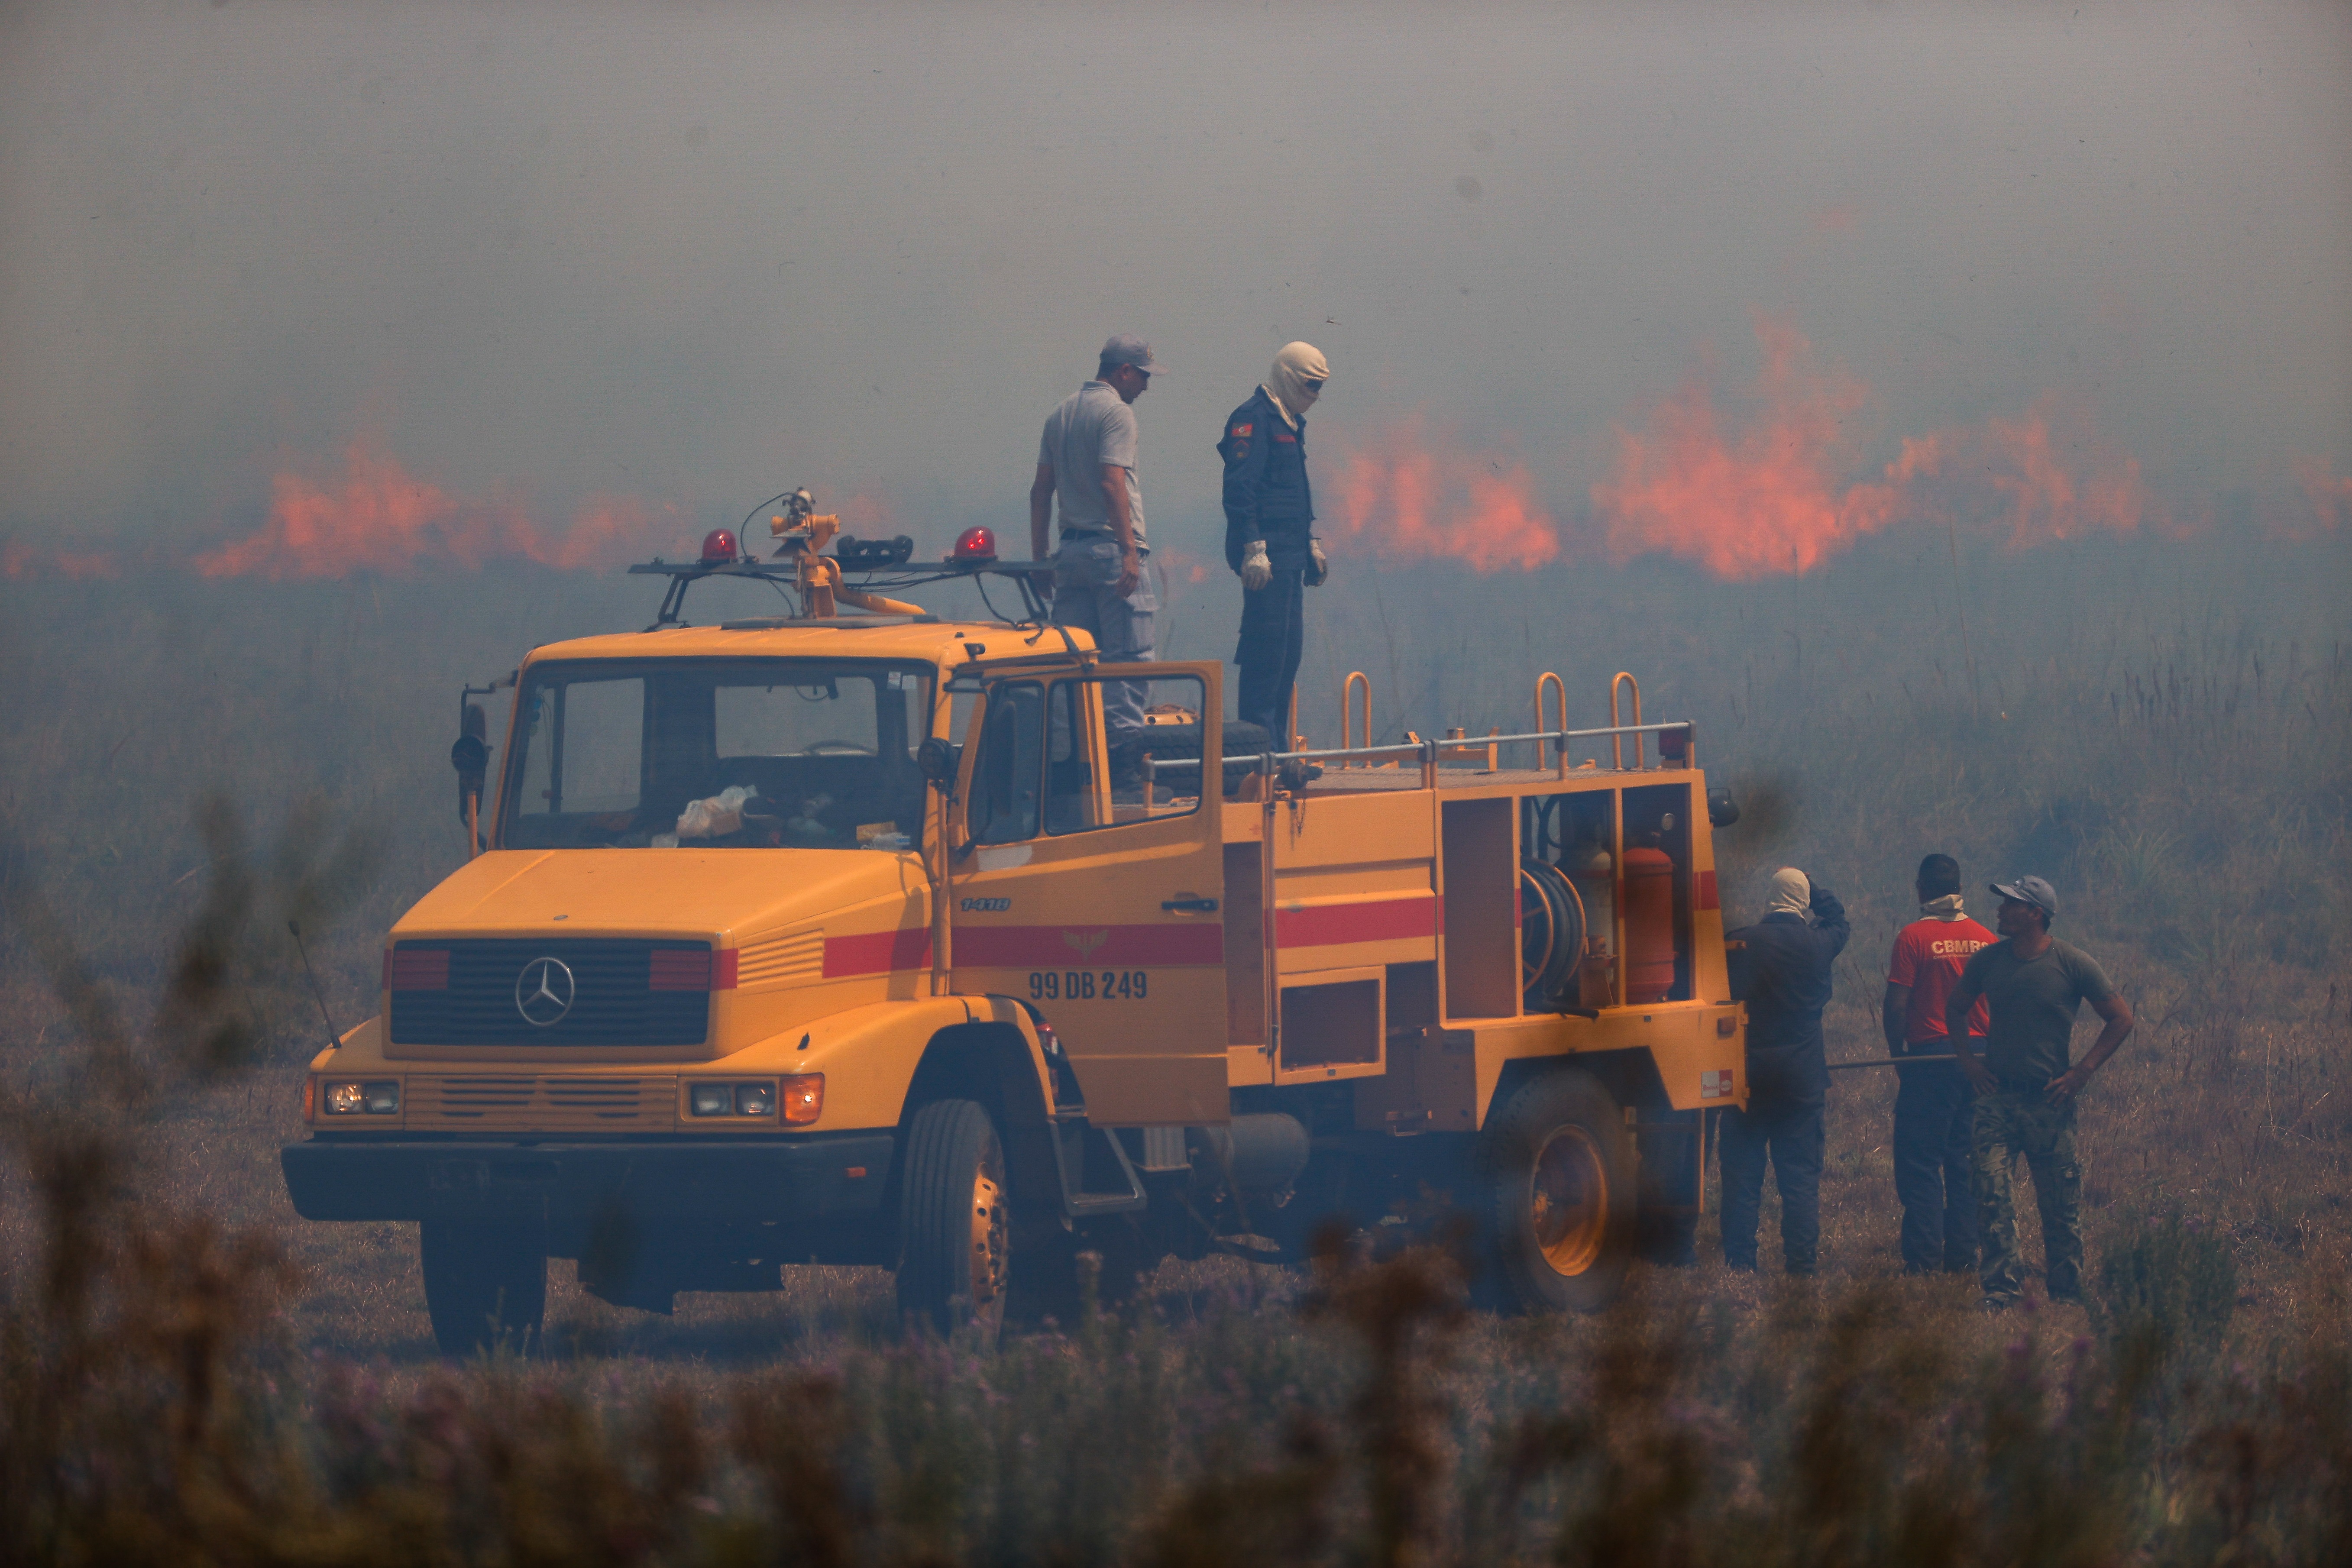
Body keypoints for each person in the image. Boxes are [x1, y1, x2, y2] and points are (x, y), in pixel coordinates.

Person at [1943, 875, 2135, 1309]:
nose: (1999, 910)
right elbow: (1955, 1008)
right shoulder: (1987, 961)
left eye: (2010, 904)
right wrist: (1969, 1064)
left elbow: (2120, 1018)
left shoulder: (2072, 963)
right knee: (1991, 1194)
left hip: (2049, 1100)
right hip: (1996, 1098)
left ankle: (2066, 1293)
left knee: (2060, 1204)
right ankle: (2002, 1290)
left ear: (2035, 914)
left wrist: (2082, 1072)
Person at [1030, 334, 1162, 752]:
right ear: (1123, 372)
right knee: (1126, 663)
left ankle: (1071, 764)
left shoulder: (1061, 414)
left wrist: (1040, 559)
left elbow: (1040, 491)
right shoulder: (1116, 414)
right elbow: (1112, 482)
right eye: (1141, 376)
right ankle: (1121, 772)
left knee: (1072, 664)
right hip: (1110, 554)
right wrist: (1128, 551)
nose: (1145, 386)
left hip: (1069, 555)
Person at [1720, 868, 1850, 1276]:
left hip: (1747, 1077)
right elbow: (1840, 920)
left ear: (1770, 897)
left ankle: (1740, 1263)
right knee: (1799, 1180)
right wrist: (1817, 888)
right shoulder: (1817, 943)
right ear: (1803, 899)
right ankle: (1801, 1265)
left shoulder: (1739, 942)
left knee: (1742, 1178)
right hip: (1802, 1080)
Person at [1882, 854, 1994, 1276]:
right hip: (1978, 1059)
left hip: (1930, 1059)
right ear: (1960, 890)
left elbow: (1896, 1007)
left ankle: (1923, 1262)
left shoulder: (1912, 937)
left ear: (1921, 890)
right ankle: (1963, 1258)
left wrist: (1900, 1058)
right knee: (1963, 1160)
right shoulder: (1986, 938)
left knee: (1920, 1162)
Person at [1219, 342, 1330, 744]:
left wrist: (1309, 542)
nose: (1315, 394)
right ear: (1286, 376)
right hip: (1267, 559)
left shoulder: (1288, 421)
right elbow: (1240, 488)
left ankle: (1277, 751)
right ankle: (1259, 755)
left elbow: (1292, 491)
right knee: (1265, 656)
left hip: (1290, 555)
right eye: (1310, 384)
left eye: (1321, 386)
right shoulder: (1253, 419)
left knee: (1287, 656)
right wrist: (1252, 546)